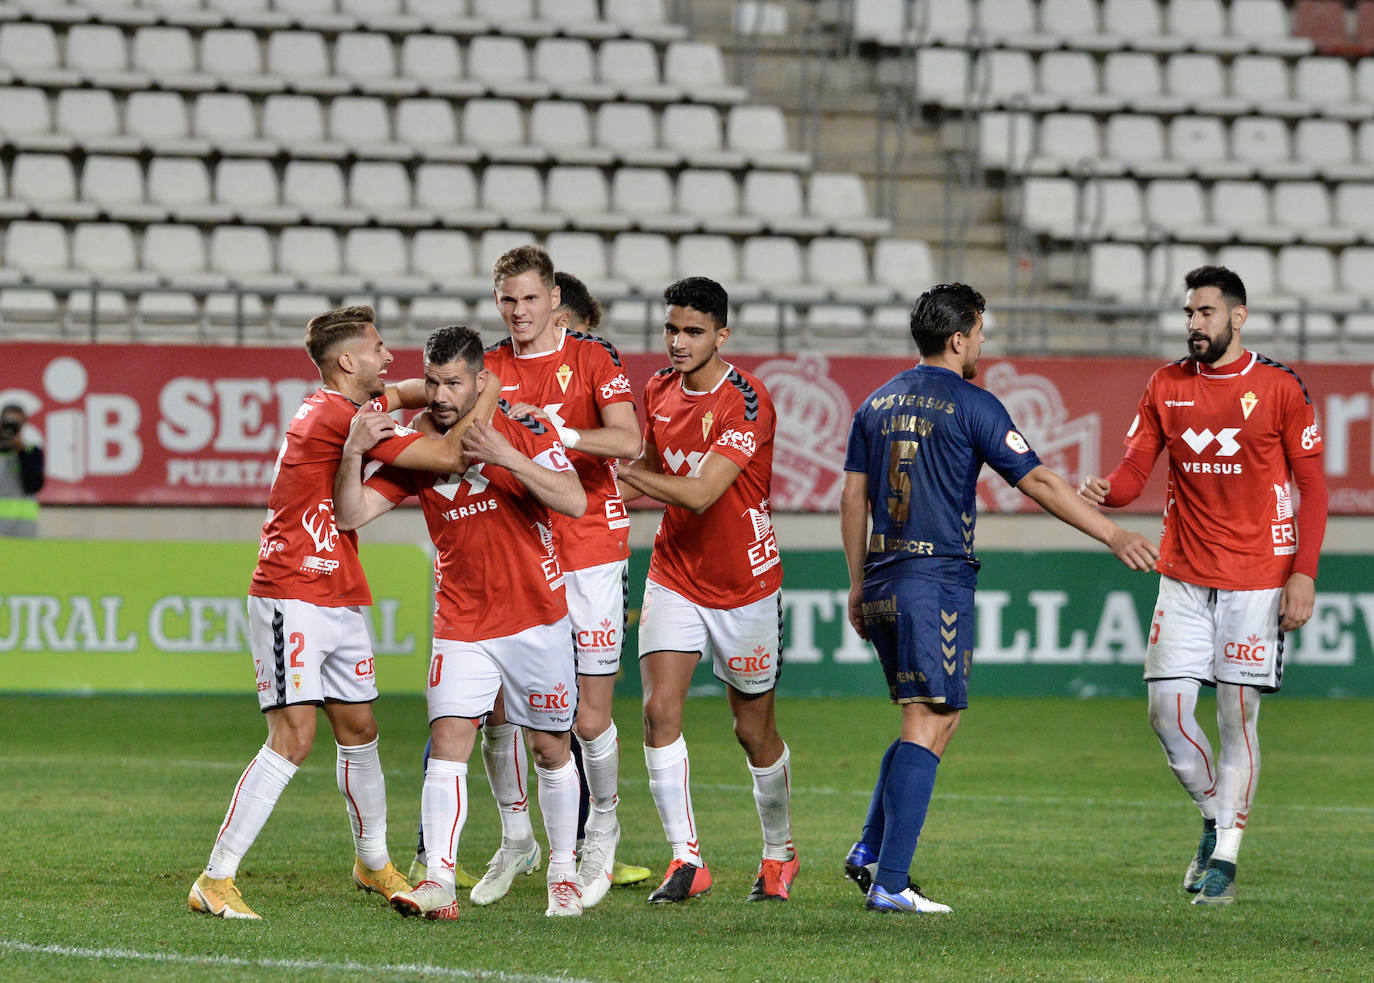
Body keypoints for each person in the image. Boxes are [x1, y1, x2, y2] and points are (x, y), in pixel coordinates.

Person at [840, 282, 1159, 915]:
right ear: (958, 338)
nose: (983, 342)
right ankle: (890, 881)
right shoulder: (971, 403)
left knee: (933, 717)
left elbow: (854, 498)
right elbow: (1037, 478)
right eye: (981, 332)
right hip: (933, 578)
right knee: (926, 718)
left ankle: (871, 850)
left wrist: (857, 582)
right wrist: (1114, 533)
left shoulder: (875, 403)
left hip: (881, 576)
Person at [188, 306, 495, 921]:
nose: (390, 357)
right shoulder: (336, 416)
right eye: (379, 348)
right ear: (348, 361)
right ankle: (215, 878)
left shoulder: (344, 405)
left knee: (359, 731)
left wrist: (436, 388)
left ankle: (373, 862)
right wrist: (487, 390)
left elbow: (409, 393)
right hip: (292, 590)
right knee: (293, 738)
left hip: (338, 589)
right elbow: (449, 454)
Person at [1078, 265, 1328, 907]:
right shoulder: (1165, 384)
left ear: (1237, 317)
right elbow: (1136, 468)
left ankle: (1226, 855)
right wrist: (1110, 488)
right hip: (1183, 575)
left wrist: (1304, 573)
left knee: (1235, 718)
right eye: (1189, 313)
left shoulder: (1279, 388)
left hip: (1257, 580)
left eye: (1206, 313)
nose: (1194, 324)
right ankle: (1216, 816)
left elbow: (1314, 488)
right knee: (1167, 716)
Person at [333, 324, 589, 920]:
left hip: (537, 618)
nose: (441, 394)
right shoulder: (416, 445)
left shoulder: (526, 427)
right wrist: (350, 452)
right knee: (449, 741)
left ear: (479, 380)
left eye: (453, 382)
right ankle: (439, 881)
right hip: (461, 621)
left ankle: (563, 875)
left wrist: (506, 458)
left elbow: (574, 500)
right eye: (432, 381)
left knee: (551, 748)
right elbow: (352, 511)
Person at [616, 276, 798, 904]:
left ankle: (779, 852)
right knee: (658, 710)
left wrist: (625, 472)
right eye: (671, 329)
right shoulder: (658, 390)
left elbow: (698, 491)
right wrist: (591, 490)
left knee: (753, 732)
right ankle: (686, 860)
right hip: (675, 572)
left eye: (693, 331)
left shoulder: (747, 401)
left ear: (722, 335)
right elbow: (652, 477)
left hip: (745, 584)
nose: (678, 341)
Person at [0, 403, 44, 537]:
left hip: (23, 527)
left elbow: (33, 485)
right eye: (8, 423)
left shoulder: (31, 451)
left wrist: (21, 451)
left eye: (16, 424)